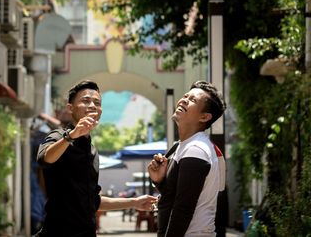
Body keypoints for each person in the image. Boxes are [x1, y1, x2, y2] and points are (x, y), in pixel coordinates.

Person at [36, 80, 157, 237]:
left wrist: (134, 202)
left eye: (97, 103)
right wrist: (71, 135)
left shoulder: (91, 150)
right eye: (86, 101)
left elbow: (93, 201)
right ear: (70, 108)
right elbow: (44, 158)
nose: (92, 105)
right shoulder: (59, 136)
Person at [148, 80, 226, 237]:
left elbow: (183, 209)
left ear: (204, 117)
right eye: (185, 96)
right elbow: (175, 195)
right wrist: (160, 180)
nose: (184, 100)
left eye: (193, 100)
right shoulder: (183, 146)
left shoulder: (196, 150)